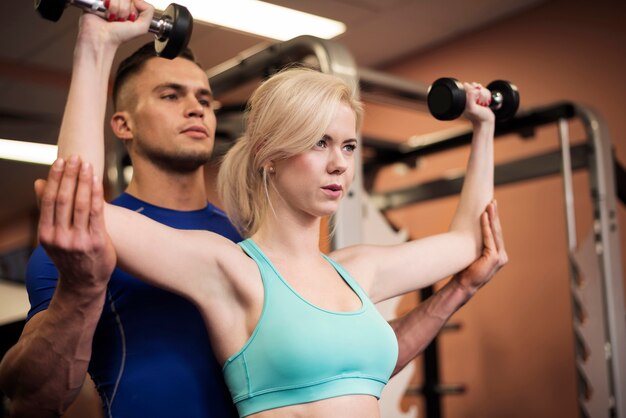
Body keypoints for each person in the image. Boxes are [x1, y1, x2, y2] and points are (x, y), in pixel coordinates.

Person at [0, 1, 506, 417]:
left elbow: (467, 242)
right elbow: (79, 203)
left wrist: (483, 127)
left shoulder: (358, 270)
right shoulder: (229, 266)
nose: (339, 166)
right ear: (268, 155)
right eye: (317, 143)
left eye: (349, 147)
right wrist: (96, 45)